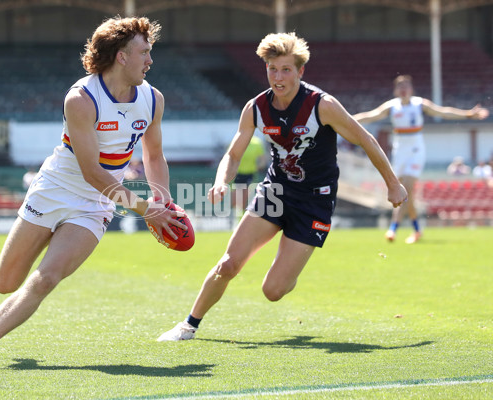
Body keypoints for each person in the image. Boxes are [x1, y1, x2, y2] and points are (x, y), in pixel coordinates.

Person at [0, 16, 186, 371]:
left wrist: (162, 201)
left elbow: (153, 155)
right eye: (144, 52)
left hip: (96, 203)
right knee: (5, 282)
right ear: (121, 56)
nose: (150, 60)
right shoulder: (81, 98)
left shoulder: (153, 100)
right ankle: (33, 254)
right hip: (55, 189)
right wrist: (143, 209)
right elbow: (91, 171)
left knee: (46, 278)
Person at [157, 32, 408, 342]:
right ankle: (188, 325)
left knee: (273, 291)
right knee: (229, 263)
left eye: (286, 69)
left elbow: (366, 140)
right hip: (275, 192)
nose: (278, 77)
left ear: (300, 72)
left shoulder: (323, 105)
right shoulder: (256, 107)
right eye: (272, 69)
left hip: (315, 202)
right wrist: (222, 181)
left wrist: (393, 184)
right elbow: (233, 154)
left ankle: (290, 269)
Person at [353, 75, 489, 244]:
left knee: (407, 188)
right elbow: (370, 115)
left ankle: (393, 228)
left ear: (411, 89)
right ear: (396, 90)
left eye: (406, 86)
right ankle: (416, 229)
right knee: (403, 191)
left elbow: (443, 111)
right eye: (400, 86)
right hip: (399, 150)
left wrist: (468, 114)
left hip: (415, 150)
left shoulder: (419, 104)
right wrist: (345, 118)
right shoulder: (392, 106)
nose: (403, 89)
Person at [230, 134, 267, 212]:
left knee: (244, 200)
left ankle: (242, 220)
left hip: (250, 174)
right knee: (234, 200)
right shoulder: (237, 141)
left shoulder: (257, 143)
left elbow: (262, 160)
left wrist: (256, 168)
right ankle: (237, 218)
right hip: (237, 174)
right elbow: (230, 157)